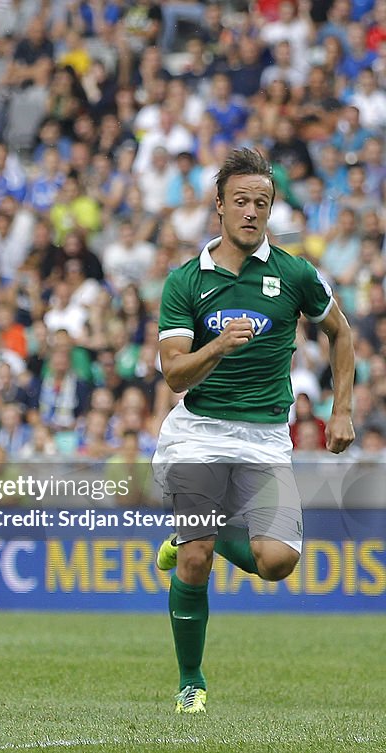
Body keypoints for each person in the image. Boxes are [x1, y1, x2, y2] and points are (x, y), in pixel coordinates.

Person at [152, 148, 354, 714]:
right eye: (240, 201)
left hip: (265, 437)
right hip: (198, 433)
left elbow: (341, 334)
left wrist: (342, 410)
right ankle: (191, 680)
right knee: (197, 557)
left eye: (261, 203)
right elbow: (172, 374)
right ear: (218, 207)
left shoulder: (293, 274)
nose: (251, 211)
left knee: (277, 562)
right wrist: (215, 346)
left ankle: (194, 537)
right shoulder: (185, 281)